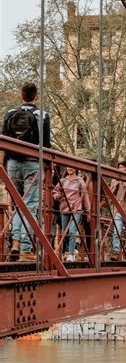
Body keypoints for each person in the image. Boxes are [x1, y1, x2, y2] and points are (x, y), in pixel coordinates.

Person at [1, 82, 51, 262]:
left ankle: (15, 242)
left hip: (13, 163)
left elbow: (3, 141)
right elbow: (46, 145)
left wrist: (4, 165)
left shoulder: (9, 114)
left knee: (17, 205)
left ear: (21, 97)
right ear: (36, 97)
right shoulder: (42, 115)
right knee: (29, 206)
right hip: (32, 165)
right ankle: (25, 249)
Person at [53, 167, 90, 262]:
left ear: (76, 169)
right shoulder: (63, 181)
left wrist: (88, 211)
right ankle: (72, 249)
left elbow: (84, 196)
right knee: (64, 233)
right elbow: (55, 192)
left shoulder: (80, 181)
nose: (69, 168)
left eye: (71, 167)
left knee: (72, 231)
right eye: (68, 167)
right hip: (65, 209)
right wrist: (58, 196)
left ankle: (71, 254)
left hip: (76, 209)